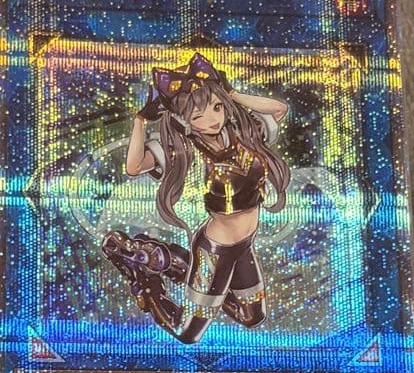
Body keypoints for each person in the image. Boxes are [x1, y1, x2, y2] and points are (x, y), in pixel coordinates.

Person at [102, 52, 290, 344]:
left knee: (253, 316)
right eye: (198, 116)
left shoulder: (246, 131)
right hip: (215, 250)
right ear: (184, 120)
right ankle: (147, 270)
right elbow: (134, 166)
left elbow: (279, 108)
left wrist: (231, 93)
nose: (212, 120)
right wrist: (140, 120)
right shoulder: (183, 148)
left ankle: (172, 263)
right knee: (187, 332)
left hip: (244, 244)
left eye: (216, 107)